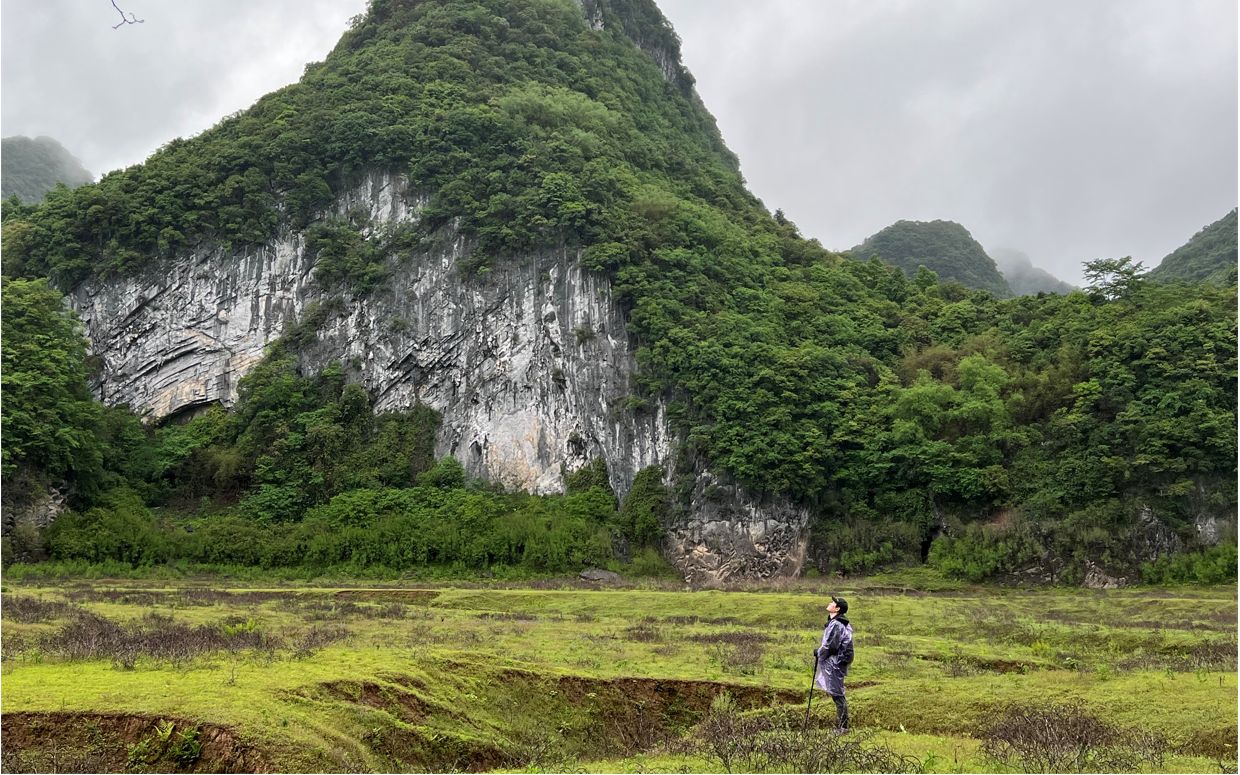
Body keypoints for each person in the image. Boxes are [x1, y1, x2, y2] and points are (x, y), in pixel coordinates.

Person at [814, 595, 853, 732]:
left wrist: (819, 653)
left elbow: (832, 646)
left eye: (833, 603)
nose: (830, 603)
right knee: (837, 693)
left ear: (837, 608)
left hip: (836, 662)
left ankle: (844, 728)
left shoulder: (836, 624)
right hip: (837, 662)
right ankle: (843, 726)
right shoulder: (836, 623)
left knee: (837, 695)